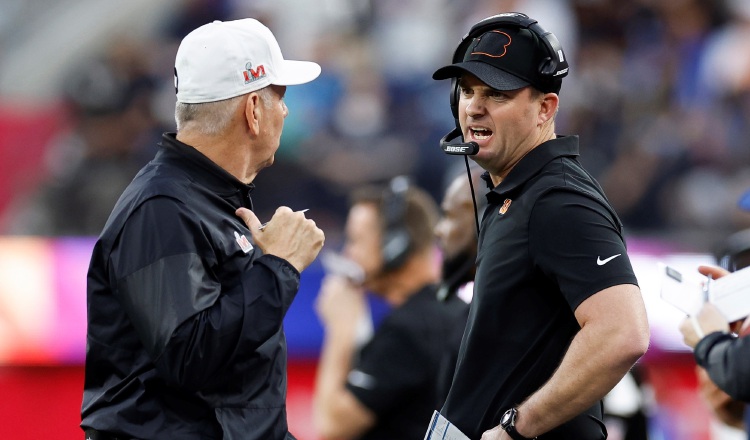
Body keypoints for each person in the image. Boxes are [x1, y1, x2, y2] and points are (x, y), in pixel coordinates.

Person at [80, 18, 325, 440]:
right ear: (253, 110)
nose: (285, 110)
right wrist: (280, 267)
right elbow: (190, 355)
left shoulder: (204, 199)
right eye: (279, 96)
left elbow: (234, 384)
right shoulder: (162, 208)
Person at [430, 12, 650, 439]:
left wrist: (514, 429)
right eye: (468, 90)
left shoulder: (557, 199)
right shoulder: (515, 194)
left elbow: (623, 332)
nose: (474, 105)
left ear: (545, 108)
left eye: (496, 93)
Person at [312, 177, 468, 440]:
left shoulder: (408, 329)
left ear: (396, 244)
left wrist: (340, 330)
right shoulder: (455, 312)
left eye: (355, 240)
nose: (348, 254)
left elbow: (332, 427)